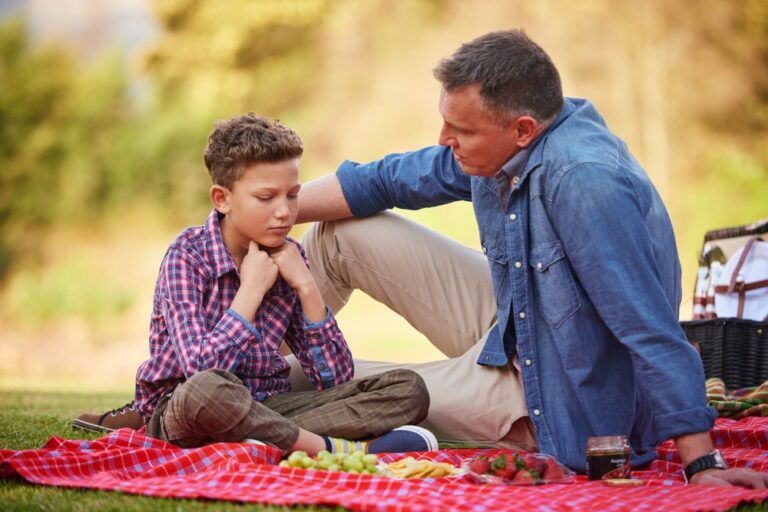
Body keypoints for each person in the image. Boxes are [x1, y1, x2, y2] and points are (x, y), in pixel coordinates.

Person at [286, 30, 768, 487]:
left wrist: (702, 461)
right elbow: (385, 180)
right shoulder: (511, 144)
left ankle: (238, 378)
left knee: (302, 381)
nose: (442, 139)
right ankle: (232, 344)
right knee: (343, 233)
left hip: (557, 403)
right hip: (517, 325)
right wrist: (255, 213)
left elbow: (650, 329)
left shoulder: (585, 185)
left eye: (460, 130)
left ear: (522, 129)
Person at [75, 113, 437, 456]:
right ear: (222, 199)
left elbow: (335, 378)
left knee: (408, 390)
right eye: (266, 198)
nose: (284, 212)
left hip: (269, 405)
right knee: (209, 391)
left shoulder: (291, 258)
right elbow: (201, 372)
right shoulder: (186, 256)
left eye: (292, 195)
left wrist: (307, 287)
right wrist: (250, 291)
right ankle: (328, 448)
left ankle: (255, 440)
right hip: (188, 407)